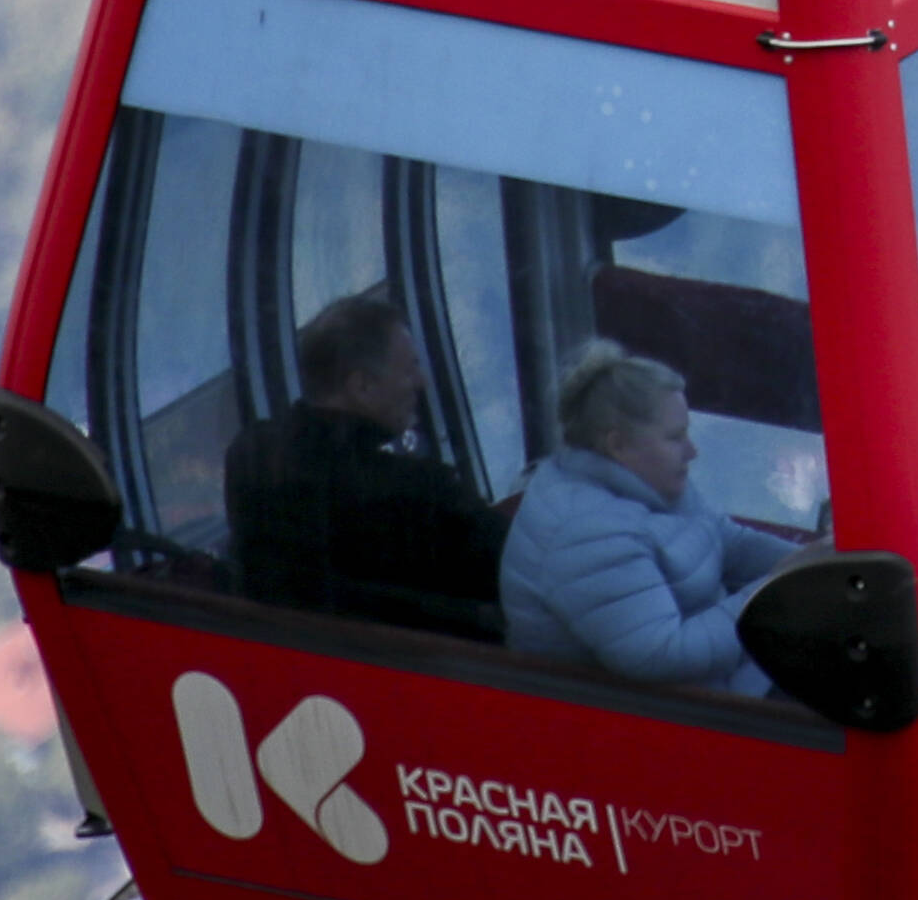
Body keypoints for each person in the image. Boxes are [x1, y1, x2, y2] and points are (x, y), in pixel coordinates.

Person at [501, 346, 794, 692]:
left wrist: (816, 561)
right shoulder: (584, 532)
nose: (692, 451)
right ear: (618, 445)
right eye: (675, 437)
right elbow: (662, 655)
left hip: (725, 682)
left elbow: (726, 540)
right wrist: (779, 591)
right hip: (661, 721)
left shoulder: (649, 480)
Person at [227, 290, 508, 636]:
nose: (420, 382)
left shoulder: (251, 456)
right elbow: (515, 567)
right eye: (410, 369)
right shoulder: (416, 492)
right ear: (362, 386)